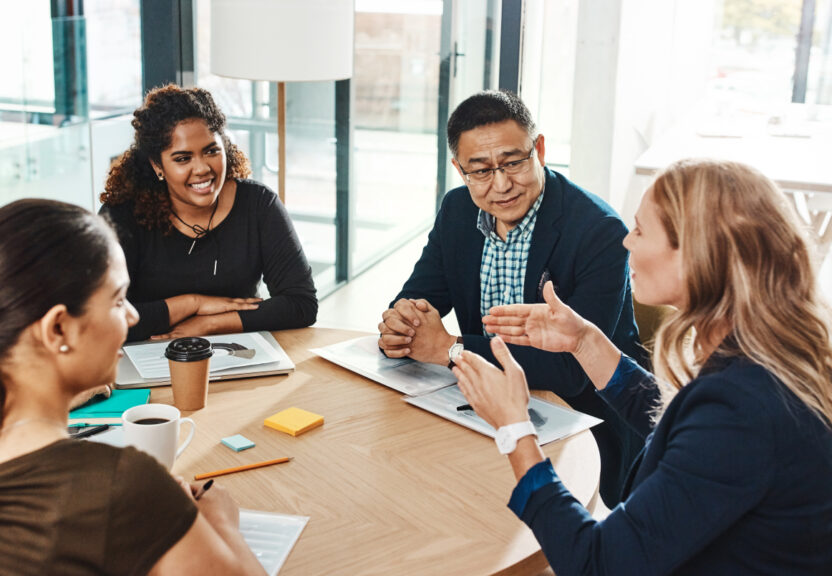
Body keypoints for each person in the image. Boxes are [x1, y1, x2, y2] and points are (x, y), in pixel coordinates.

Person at [0, 199, 266, 576]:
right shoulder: (121, 486)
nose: (134, 316)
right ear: (59, 328)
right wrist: (223, 523)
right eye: (119, 300)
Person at [457, 159, 832, 574]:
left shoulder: (743, 407)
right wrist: (586, 343)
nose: (626, 243)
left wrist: (514, 429)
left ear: (695, 253)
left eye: (639, 230)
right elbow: (686, 430)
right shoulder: (766, 356)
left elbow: (598, 564)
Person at [378, 90, 643, 507]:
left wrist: (450, 349)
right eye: (480, 170)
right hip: (480, 410)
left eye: (513, 163)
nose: (500, 185)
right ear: (459, 169)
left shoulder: (599, 230)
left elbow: (572, 370)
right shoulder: (457, 210)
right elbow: (421, 295)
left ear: (538, 149)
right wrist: (402, 322)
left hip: (579, 421)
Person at [100, 84, 318, 341]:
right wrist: (192, 303)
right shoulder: (121, 216)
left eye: (211, 151)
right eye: (183, 158)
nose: (202, 168)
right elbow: (100, 319)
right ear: (157, 165)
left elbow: (301, 304)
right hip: (144, 357)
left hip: (238, 353)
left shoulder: (258, 204)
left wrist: (210, 325)